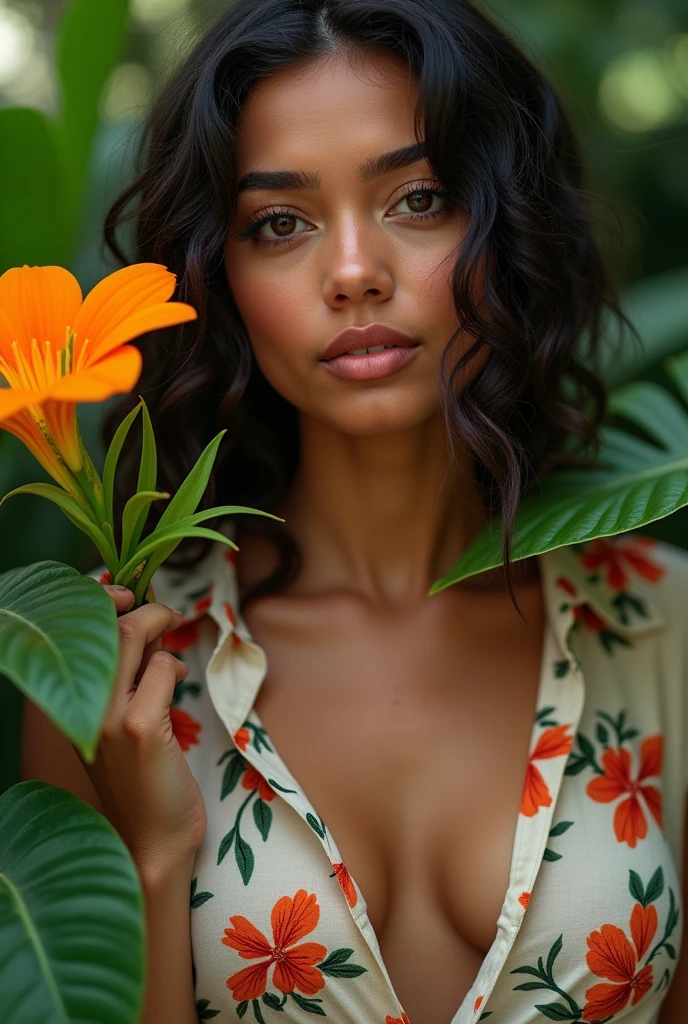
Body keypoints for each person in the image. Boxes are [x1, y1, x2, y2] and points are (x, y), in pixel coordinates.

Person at [21, 1, 688, 1022]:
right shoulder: (115, 680)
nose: (351, 272)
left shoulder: (665, 629)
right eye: (279, 223)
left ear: (505, 225)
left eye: (417, 199)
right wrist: (156, 859)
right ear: (220, 274)